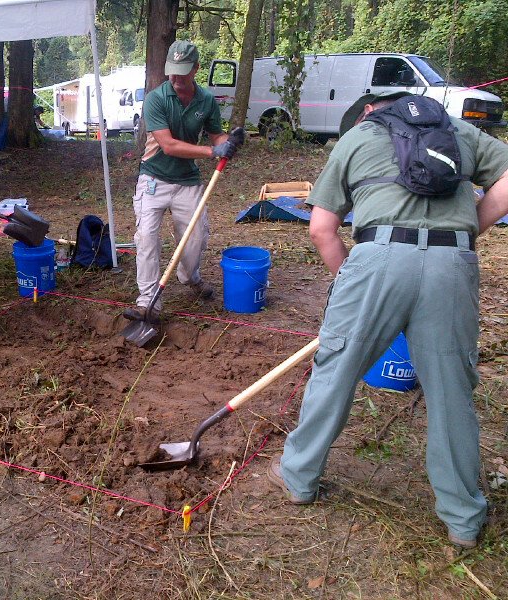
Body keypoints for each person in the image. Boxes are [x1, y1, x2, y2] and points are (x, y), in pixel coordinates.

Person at [268, 90, 508, 549]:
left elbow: (321, 229)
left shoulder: (358, 136)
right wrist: (467, 226)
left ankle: (298, 478)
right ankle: (462, 518)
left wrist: (357, 283)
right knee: (451, 390)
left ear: (368, 111)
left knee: (336, 370)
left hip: (377, 254)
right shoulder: (458, 131)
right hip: (452, 265)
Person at [123, 40, 238, 324]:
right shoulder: (156, 98)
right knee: (147, 237)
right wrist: (213, 151)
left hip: (188, 181)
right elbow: (169, 145)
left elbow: (216, 136)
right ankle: (148, 301)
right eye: (172, 71)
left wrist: (229, 143)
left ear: (196, 69)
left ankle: (190, 278)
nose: (175, 78)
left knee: (196, 237)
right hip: (153, 179)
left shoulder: (206, 101)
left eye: (182, 72)